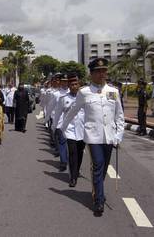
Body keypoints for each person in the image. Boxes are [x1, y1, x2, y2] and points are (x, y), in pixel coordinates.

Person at [61, 58, 124, 216]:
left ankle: (97, 189)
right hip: (93, 136)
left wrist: (118, 135)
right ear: (91, 74)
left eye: (104, 71)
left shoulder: (113, 91)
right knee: (98, 164)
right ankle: (99, 200)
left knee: (102, 169)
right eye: (98, 71)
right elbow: (73, 111)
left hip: (109, 136)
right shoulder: (84, 92)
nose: (102, 74)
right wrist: (62, 127)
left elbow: (119, 117)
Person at [58, 74, 85, 187]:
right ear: (69, 85)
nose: (74, 86)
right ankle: (73, 177)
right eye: (72, 84)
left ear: (79, 85)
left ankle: (76, 170)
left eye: (76, 84)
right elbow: (59, 114)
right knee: (72, 153)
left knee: (79, 153)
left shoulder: (84, 98)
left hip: (82, 130)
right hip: (69, 130)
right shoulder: (64, 99)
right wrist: (59, 128)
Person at [51, 74, 70, 170]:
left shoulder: (74, 93)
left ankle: (73, 164)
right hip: (60, 122)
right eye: (63, 81)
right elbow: (52, 108)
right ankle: (63, 162)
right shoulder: (56, 94)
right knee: (62, 143)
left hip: (72, 124)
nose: (65, 83)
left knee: (71, 145)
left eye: (66, 81)